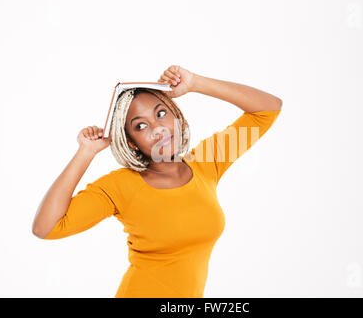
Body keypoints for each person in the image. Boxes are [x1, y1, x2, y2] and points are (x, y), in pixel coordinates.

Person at [32, 65, 283, 298]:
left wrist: (195, 83)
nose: (158, 128)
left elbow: (267, 109)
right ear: (132, 142)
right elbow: (46, 228)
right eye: (140, 126)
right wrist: (85, 153)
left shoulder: (208, 162)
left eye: (161, 113)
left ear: (175, 114)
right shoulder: (119, 186)